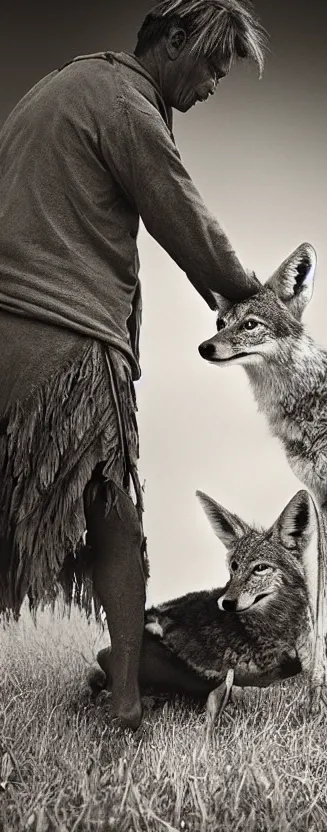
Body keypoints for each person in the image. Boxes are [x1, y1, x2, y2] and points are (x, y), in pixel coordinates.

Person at [0, 0, 266, 729]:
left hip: (7, 336)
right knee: (114, 510)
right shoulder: (124, 102)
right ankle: (124, 699)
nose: (214, 84)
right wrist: (257, 302)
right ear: (173, 39)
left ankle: (127, 678)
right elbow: (183, 221)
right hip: (70, 341)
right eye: (212, 64)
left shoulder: (57, 90)